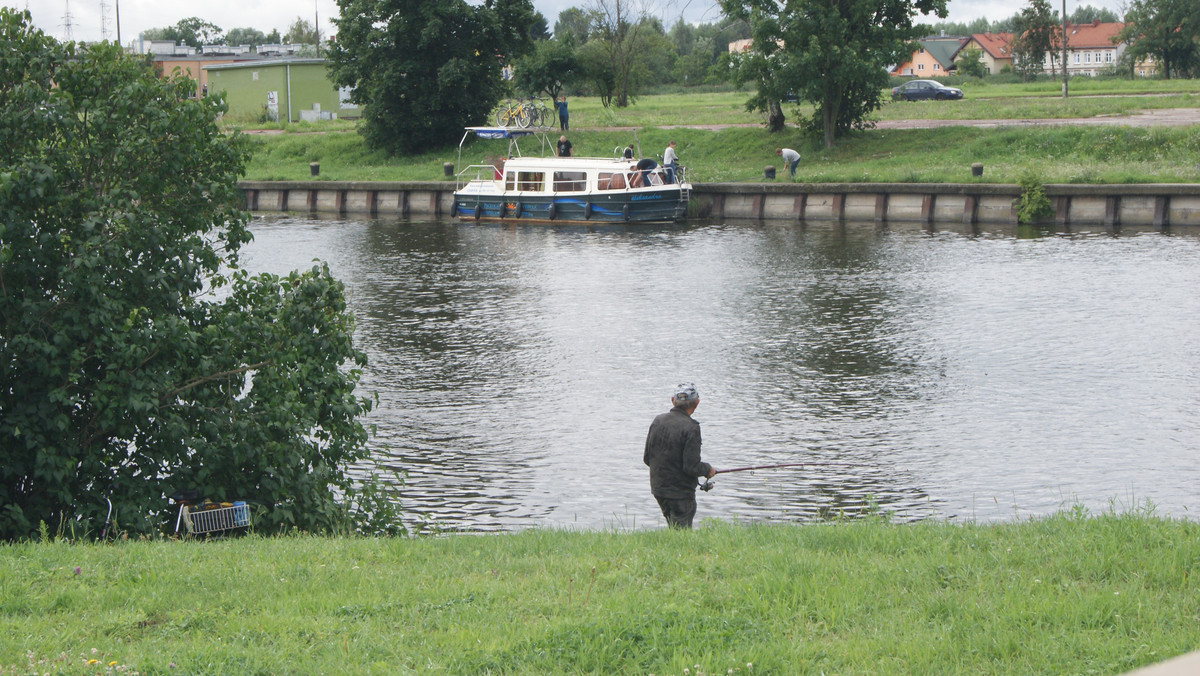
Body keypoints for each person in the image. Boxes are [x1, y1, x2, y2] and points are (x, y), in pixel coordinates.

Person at [643, 383, 716, 529]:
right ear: (697, 403)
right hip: (680, 493)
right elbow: (691, 467)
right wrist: (708, 469)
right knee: (681, 532)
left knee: (674, 528)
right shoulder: (692, 428)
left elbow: (647, 458)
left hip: (659, 490)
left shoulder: (658, 421)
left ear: (672, 400)